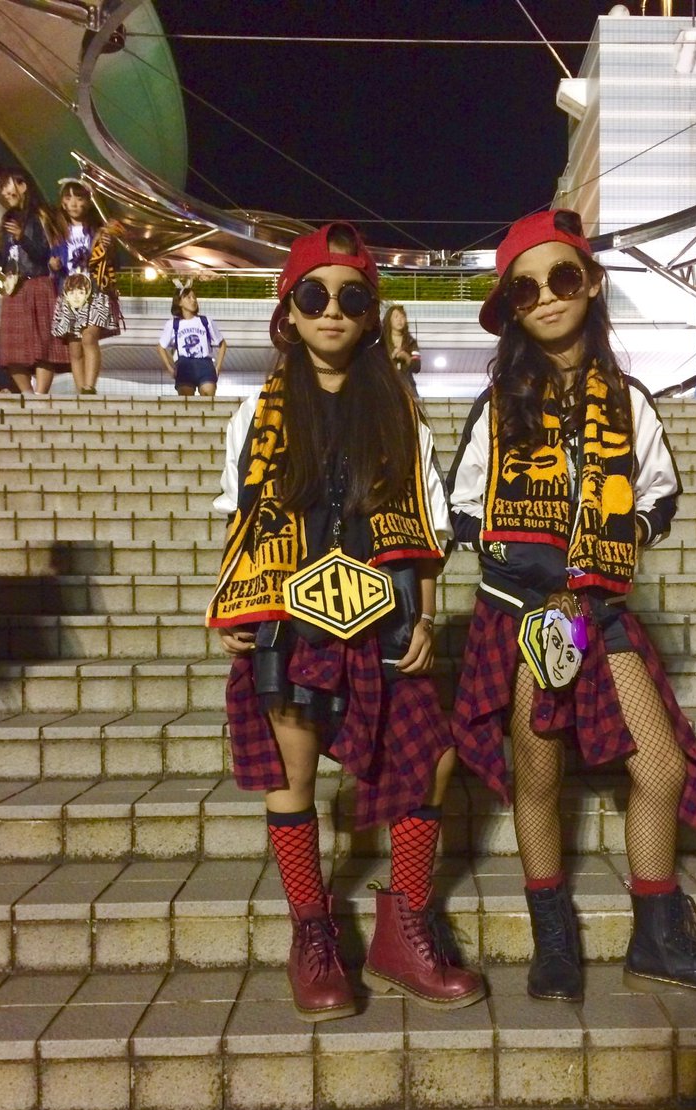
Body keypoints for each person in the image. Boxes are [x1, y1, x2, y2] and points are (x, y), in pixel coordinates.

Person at [448, 209, 696, 1001]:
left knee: (659, 767)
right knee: (537, 774)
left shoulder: (629, 400)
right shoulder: (498, 403)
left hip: (601, 610)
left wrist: (622, 535)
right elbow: (460, 503)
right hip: (524, 613)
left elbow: (660, 492)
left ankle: (656, 939)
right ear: (512, 308)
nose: (548, 297)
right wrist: (515, 554)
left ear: (590, 282)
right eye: (526, 288)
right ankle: (554, 943)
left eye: (563, 277)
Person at [207, 222, 483, 1021]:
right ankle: (312, 934)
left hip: (382, 615)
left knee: (430, 762)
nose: (332, 310)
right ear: (288, 310)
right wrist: (234, 607)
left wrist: (425, 617)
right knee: (292, 775)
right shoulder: (255, 413)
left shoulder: (400, 412)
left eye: (352, 297)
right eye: (315, 294)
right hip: (286, 618)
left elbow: (426, 528)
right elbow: (240, 520)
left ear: (370, 316)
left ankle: (403, 930)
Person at [0, 169, 69, 394]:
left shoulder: (40, 215)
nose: (4, 192)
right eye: (2, 188)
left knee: (43, 346)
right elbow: (5, 259)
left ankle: (40, 397)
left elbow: (43, 255)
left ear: (23, 186)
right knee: (12, 349)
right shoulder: (7, 219)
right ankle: (27, 396)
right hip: (14, 287)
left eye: (8, 186)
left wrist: (22, 238)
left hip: (38, 283)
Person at [50, 178, 123, 395]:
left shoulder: (98, 231)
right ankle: (81, 391)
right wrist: (53, 265)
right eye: (68, 198)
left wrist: (107, 247)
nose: (73, 203)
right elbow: (53, 261)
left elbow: (113, 262)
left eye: (79, 198)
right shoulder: (58, 233)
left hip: (94, 290)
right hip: (69, 292)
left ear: (88, 202)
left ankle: (89, 387)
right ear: (63, 203)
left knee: (89, 337)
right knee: (74, 347)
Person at [157, 286, 227, 395]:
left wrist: (217, 367)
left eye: (194, 297)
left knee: (208, 398)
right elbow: (160, 347)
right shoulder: (173, 324)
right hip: (184, 365)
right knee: (186, 401)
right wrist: (170, 368)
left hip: (205, 364)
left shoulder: (205, 321)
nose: (193, 300)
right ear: (179, 302)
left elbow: (222, 344)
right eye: (188, 297)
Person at [382, 303, 421, 391]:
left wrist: (406, 357)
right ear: (389, 320)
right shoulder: (381, 341)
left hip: (407, 386)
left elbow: (417, 367)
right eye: (396, 317)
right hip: (386, 386)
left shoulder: (411, 342)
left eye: (402, 317)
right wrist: (391, 357)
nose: (400, 320)